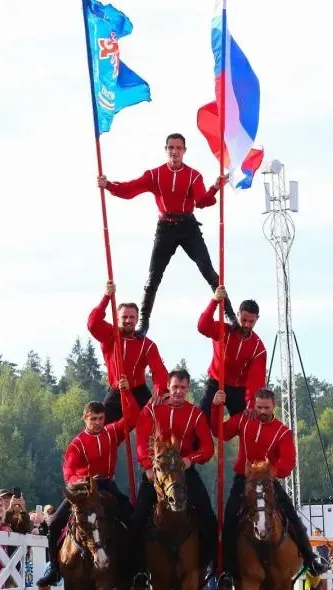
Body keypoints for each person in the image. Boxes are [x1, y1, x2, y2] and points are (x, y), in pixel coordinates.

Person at [97, 133, 236, 336]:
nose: (175, 152)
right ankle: (143, 321)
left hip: (188, 226)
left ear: (184, 151)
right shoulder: (155, 175)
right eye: (171, 148)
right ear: (166, 150)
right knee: (153, 276)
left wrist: (215, 188)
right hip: (165, 226)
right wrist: (108, 185)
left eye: (179, 148)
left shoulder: (193, 175)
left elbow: (202, 201)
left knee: (208, 270)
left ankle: (230, 315)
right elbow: (130, 189)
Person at [213, 388, 329, 590]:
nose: (262, 411)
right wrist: (216, 407)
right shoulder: (243, 420)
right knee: (229, 518)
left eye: (266, 408)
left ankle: (310, 560)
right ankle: (225, 569)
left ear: (273, 406)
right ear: (253, 405)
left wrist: (268, 472)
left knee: (292, 516)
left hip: (268, 480)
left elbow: (288, 461)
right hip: (244, 479)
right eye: (258, 407)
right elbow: (219, 431)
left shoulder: (283, 431)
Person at [37, 378, 140, 589]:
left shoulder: (112, 432)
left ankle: (138, 568)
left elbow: (133, 418)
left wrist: (126, 393)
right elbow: (69, 472)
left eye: (101, 418)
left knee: (134, 518)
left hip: (106, 484)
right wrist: (79, 482)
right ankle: (54, 568)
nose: (97, 422)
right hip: (83, 488)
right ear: (85, 418)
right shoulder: (76, 444)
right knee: (54, 523)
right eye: (93, 419)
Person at [130, 369, 218, 590]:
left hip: (184, 471)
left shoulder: (195, 414)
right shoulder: (152, 409)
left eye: (183, 388)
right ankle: (138, 570)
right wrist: (147, 465)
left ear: (188, 389)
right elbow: (141, 440)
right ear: (168, 386)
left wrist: (191, 459)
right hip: (157, 471)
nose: (178, 392)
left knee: (208, 515)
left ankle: (214, 565)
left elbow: (208, 447)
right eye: (175, 387)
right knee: (138, 516)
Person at [87, 280, 169, 422]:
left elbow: (159, 370)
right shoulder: (110, 336)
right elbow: (93, 324)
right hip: (116, 391)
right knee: (102, 428)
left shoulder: (147, 344)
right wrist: (107, 296)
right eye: (124, 317)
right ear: (117, 318)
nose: (128, 320)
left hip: (139, 391)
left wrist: (158, 390)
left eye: (132, 317)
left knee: (157, 422)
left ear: (137, 319)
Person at [197, 285, 267, 422]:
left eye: (251, 321)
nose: (247, 325)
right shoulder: (224, 330)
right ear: (238, 314)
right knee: (200, 419)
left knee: (247, 423)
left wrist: (251, 403)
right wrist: (214, 301)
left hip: (238, 390)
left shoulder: (258, 348)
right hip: (216, 382)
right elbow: (202, 326)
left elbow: (256, 380)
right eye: (244, 320)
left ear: (257, 319)